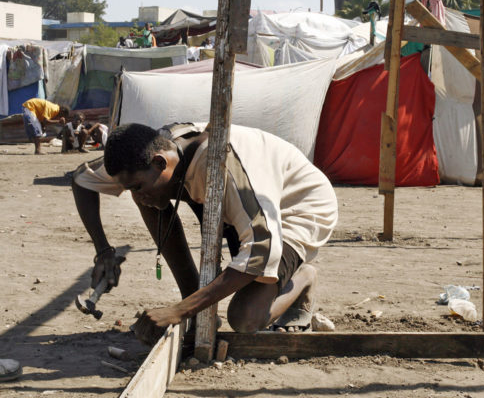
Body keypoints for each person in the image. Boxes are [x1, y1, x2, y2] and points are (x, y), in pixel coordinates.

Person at [79, 122, 338, 345]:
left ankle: (303, 276)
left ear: (160, 162)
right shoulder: (146, 152)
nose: (135, 194)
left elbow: (263, 249)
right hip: (248, 212)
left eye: (137, 186)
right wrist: (104, 251)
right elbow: (81, 179)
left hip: (296, 209)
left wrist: (180, 311)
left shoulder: (227, 169)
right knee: (151, 200)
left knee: (245, 318)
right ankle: (199, 309)